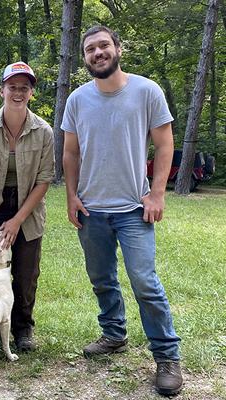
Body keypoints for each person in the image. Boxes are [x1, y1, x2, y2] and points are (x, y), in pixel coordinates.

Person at [61, 25, 182, 396]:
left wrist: (157, 193)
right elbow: (70, 152)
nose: (97, 53)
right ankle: (113, 334)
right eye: (90, 49)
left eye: (103, 46)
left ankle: (166, 356)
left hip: (133, 209)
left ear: (117, 49)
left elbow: (165, 145)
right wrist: (71, 196)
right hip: (91, 210)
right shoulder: (78, 100)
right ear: (84, 58)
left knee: (144, 281)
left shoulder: (146, 91)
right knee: (101, 279)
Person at [0, 62, 54, 352]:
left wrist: (18, 220)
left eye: (24, 88)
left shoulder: (44, 132)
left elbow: (44, 180)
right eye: (12, 87)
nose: (18, 92)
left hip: (27, 207)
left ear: (31, 93)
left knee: (26, 271)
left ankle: (23, 328)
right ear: (1, 90)